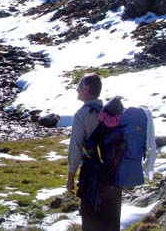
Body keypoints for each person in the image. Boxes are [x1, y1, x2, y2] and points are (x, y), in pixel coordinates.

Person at [66, 73, 122, 231]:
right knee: (111, 223)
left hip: (92, 177)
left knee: (92, 222)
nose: (77, 89)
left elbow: (76, 147)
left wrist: (70, 177)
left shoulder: (82, 115)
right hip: (114, 175)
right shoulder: (112, 113)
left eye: (79, 86)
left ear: (86, 89)